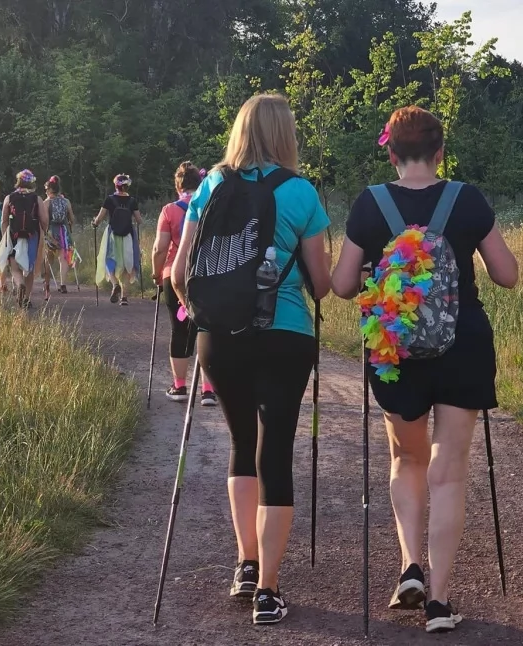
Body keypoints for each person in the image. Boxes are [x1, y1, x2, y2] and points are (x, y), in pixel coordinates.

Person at [330, 106, 519, 634]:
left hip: (396, 352)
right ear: (441, 152)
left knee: (406, 457)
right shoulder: (468, 199)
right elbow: (507, 275)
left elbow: (342, 285)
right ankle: (439, 601)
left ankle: (409, 566)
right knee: (449, 469)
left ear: (390, 153)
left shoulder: (371, 203)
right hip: (463, 346)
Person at [170, 93, 332, 625]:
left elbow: (178, 275)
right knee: (275, 451)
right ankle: (268, 590)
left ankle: (245, 563)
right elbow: (323, 284)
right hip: (285, 335)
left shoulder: (211, 185)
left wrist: (206, 313)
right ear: (285, 134)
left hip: (219, 335)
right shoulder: (301, 191)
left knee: (241, 444)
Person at [151, 162, 217, 406]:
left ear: (177, 184)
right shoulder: (209, 207)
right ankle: (208, 389)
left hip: (174, 273)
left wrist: (156, 274)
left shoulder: (169, 210)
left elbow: (159, 248)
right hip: (205, 273)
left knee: (180, 329)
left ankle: (179, 386)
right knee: (206, 329)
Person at [0, 169, 49, 308]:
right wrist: (45, 232)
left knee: (14, 267)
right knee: (30, 268)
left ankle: (19, 283)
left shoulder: (9, 198)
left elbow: (3, 220)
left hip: (14, 235)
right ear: (31, 182)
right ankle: (26, 298)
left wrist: (5, 237)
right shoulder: (36, 198)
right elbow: (44, 220)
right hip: (32, 236)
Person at [93, 174, 142, 305]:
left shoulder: (110, 199)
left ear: (116, 185)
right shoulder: (132, 201)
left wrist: (95, 223)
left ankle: (115, 284)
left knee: (108, 260)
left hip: (112, 235)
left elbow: (100, 217)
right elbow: (139, 220)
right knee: (127, 264)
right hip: (127, 236)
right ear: (127, 186)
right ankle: (124, 298)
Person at [42, 175, 76, 300]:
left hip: (52, 231)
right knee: (63, 258)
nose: (45, 191)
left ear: (50, 190)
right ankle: (63, 284)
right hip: (64, 230)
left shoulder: (46, 203)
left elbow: (45, 221)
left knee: (49, 258)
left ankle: (47, 284)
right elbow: (72, 218)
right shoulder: (66, 201)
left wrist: (45, 233)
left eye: (46, 189)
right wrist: (70, 227)